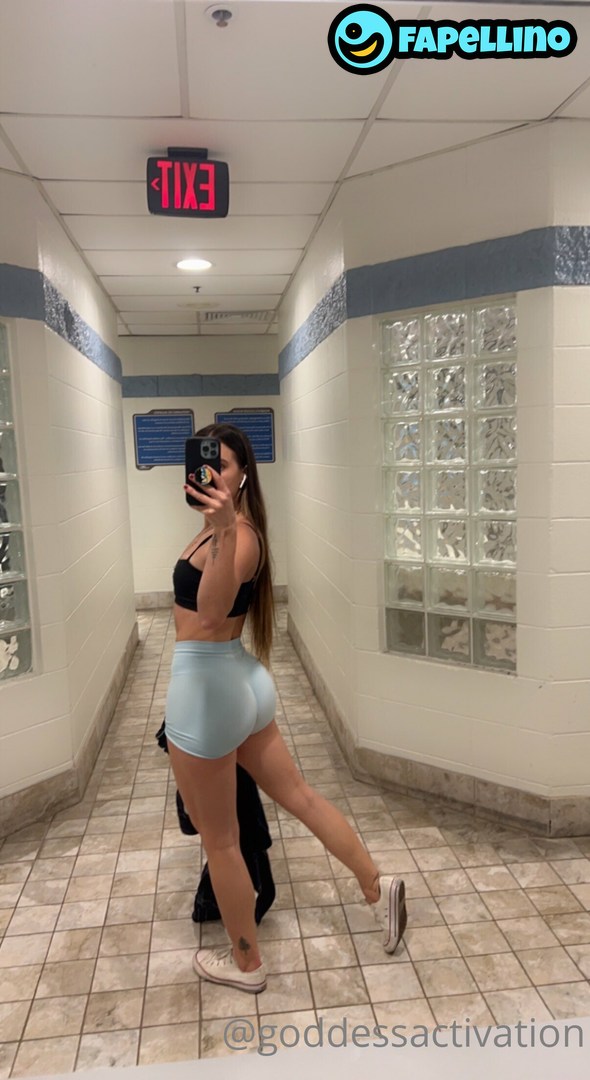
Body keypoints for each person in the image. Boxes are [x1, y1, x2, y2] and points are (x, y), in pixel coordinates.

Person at [165, 422, 407, 994]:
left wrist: (223, 528)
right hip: (238, 683)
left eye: (222, 465)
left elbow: (210, 612)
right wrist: (218, 526)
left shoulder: (238, 536)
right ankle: (379, 886)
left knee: (222, 842)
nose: (209, 474)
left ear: (243, 476)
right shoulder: (226, 531)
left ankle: (247, 965)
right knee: (299, 796)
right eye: (203, 464)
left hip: (207, 694)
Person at [155, 718, 276, 924]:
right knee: (230, 829)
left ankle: (236, 889)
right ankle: (236, 890)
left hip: (215, 737)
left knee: (234, 824)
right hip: (208, 740)